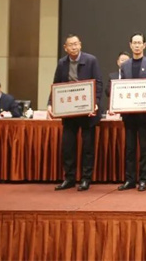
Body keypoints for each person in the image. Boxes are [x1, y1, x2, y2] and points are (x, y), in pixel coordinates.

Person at [48, 34, 102, 191]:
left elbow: (98, 83)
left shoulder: (91, 60)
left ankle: (86, 179)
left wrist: (96, 103)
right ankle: (69, 178)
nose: (73, 47)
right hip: (69, 111)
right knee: (68, 146)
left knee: (87, 147)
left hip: (87, 111)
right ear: (65, 48)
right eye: (70, 45)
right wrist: (51, 103)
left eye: (76, 44)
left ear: (80, 45)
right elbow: (56, 85)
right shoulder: (62, 63)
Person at [117, 33, 146, 192]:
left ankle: (143, 180)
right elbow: (120, 88)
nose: (137, 45)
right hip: (129, 114)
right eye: (134, 43)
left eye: (140, 43)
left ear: (144, 45)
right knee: (130, 148)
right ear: (130, 45)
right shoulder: (124, 65)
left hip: (144, 114)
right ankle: (130, 180)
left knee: (144, 148)